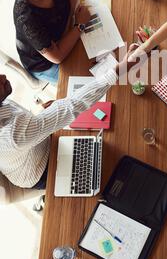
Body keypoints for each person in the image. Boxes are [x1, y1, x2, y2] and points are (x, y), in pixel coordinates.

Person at [0, 45, 139, 189]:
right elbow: (72, 106)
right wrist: (119, 69)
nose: (3, 76)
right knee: (111, 173)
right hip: (42, 170)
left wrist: (38, 118)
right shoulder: (12, 135)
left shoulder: (2, 102)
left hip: (37, 142)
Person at [7, 0, 91, 85]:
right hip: (45, 63)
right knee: (89, 80)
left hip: (66, 32)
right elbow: (56, 57)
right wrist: (79, 25)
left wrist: (69, 22)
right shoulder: (26, 19)